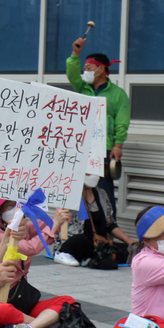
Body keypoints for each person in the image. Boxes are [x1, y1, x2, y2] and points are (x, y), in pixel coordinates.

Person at [0, 200, 75, 328]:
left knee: (67, 301)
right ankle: (43, 322)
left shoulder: (25, 229)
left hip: (20, 302)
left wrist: (61, 215)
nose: (16, 209)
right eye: (9, 205)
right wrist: (54, 225)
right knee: (4, 310)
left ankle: (29, 327)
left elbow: (47, 225)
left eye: (17, 204)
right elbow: (31, 248)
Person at [68, 37, 131, 215]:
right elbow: (71, 74)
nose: (85, 72)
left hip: (104, 149)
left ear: (101, 69)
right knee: (79, 188)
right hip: (81, 146)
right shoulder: (82, 88)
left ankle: (108, 226)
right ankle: (82, 224)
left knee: (104, 190)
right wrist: (75, 54)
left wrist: (118, 145)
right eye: (84, 68)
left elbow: (122, 121)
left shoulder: (118, 94)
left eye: (89, 68)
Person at [55, 173, 134, 267]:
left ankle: (100, 256)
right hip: (79, 242)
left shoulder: (102, 194)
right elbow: (64, 227)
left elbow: (110, 224)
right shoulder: (69, 194)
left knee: (128, 250)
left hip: (100, 243)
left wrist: (129, 241)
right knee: (81, 241)